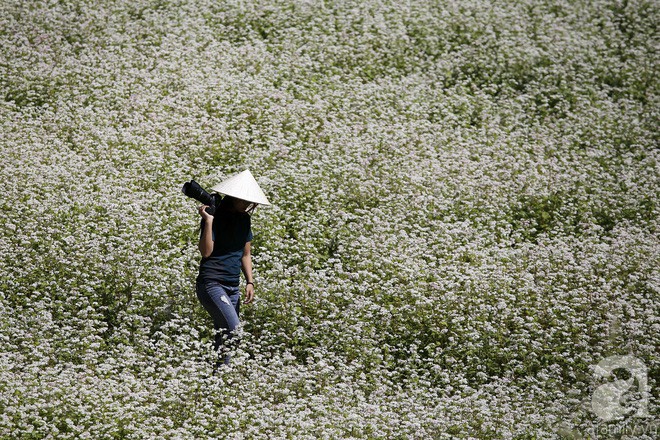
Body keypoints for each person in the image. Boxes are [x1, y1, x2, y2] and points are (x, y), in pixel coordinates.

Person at [194, 170, 270, 371]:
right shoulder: (214, 216)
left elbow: (245, 254)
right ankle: (217, 373)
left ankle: (219, 378)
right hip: (212, 283)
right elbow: (206, 252)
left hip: (232, 286)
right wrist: (208, 222)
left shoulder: (244, 220)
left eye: (249, 201)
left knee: (225, 334)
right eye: (243, 200)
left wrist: (250, 281)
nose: (247, 205)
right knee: (234, 329)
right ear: (233, 197)